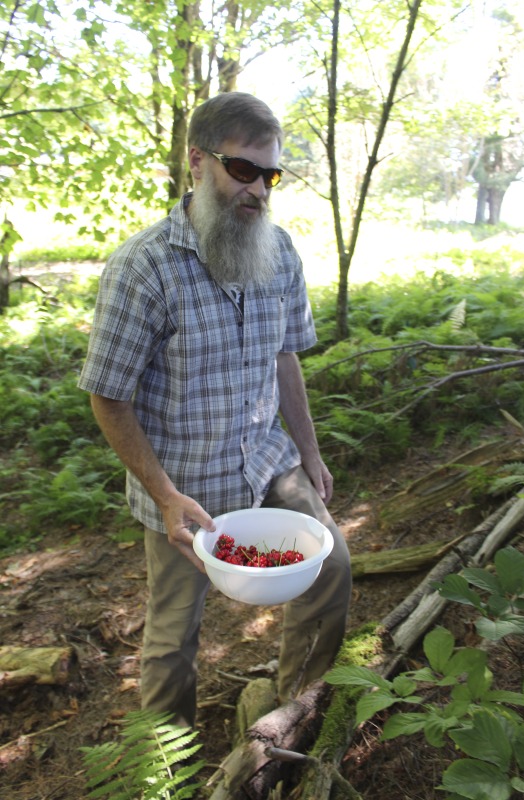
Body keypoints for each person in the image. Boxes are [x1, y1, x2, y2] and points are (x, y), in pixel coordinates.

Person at [78, 92, 352, 730]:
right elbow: (108, 395)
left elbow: (286, 358)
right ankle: (164, 762)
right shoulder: (144, 269)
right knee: (173, 635)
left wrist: (309, 455)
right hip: (184, 487)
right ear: (197, 162)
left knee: (331, 565)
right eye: (243, 169)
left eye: (270, 174)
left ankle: (294, 719)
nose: (258, 189)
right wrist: (166, 494)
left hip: (267, 461)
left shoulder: (278, 251)